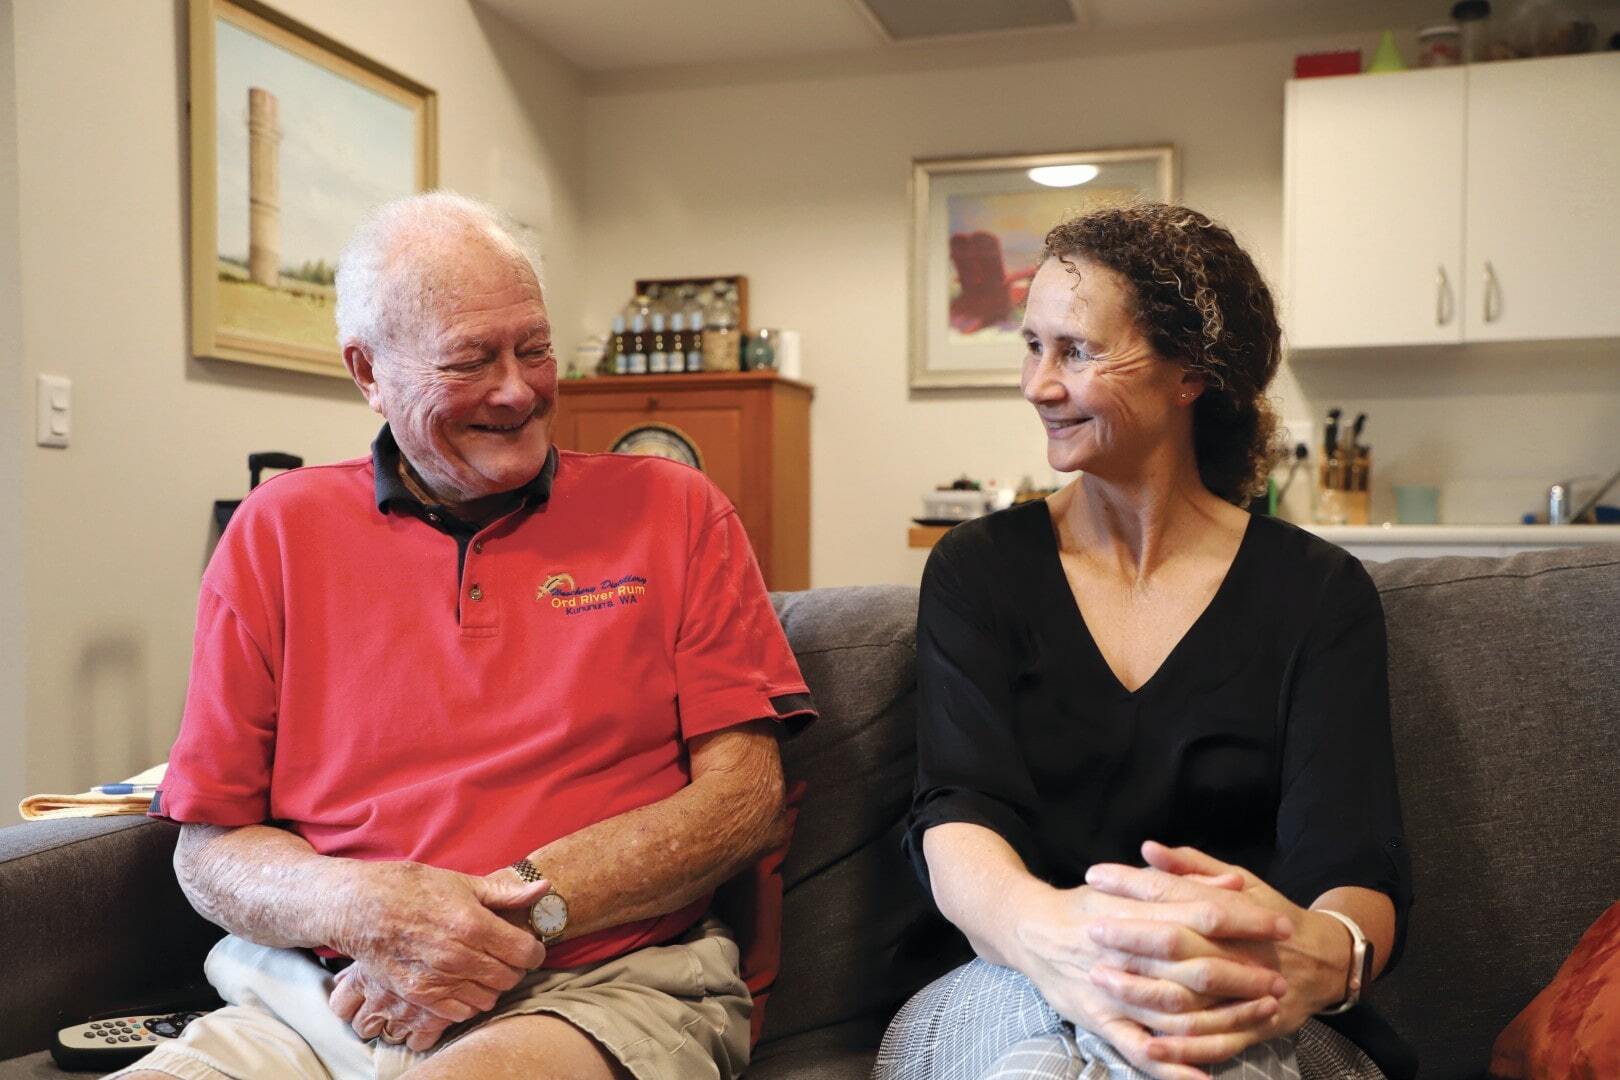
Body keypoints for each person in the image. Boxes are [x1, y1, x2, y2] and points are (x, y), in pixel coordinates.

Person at [114, 191, 815, 1080]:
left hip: (601, 983)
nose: (518, 390)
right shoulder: (277, 529)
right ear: (367, 372)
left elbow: (745, 799)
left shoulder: (673, 510)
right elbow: (209, 849)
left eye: (536, 349)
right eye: (470, 360)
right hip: (319, 995)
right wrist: (373, 911)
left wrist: (491, 924)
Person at [874, 204, 1412, 1080]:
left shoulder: (1318, 595)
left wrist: (1321, 953)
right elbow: (958, 812)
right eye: (1032, 345)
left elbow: (1353, 863)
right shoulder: (980, 570)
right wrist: (1057, 937)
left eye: (1076, 351)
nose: (1037, 385)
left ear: (1191, 373)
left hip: (1232, 987)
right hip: (1009, 968)